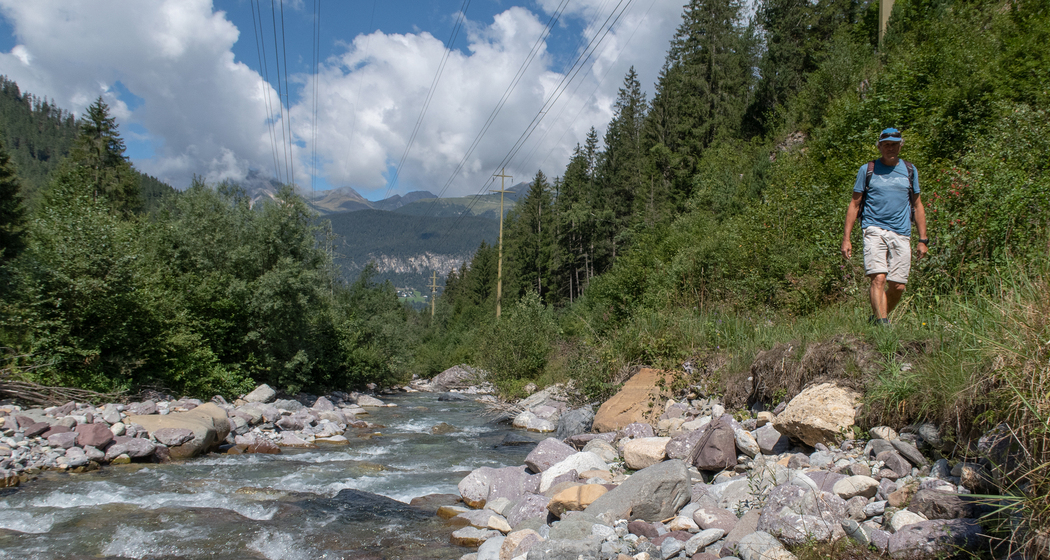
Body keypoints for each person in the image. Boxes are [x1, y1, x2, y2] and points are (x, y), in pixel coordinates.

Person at [841, 128, 928, 325]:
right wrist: (846, 239)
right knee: (878, 278)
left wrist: (923, 239)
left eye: (894, 144)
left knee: (898, 287)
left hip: (902, 232)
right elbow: (854, 204)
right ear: (879, 146)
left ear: (900, 146)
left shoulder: (909, 170)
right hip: (873, 230)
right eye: (886, 144)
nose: (890, 148)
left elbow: (917, 204)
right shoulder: (868, 170)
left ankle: (878, 319)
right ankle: (883, 325)